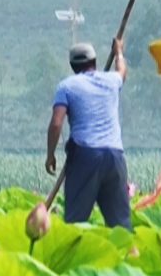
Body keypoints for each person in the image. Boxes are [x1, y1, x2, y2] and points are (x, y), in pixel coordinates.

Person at [47, 38, 130, 228]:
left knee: (75, 223)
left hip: (85, 156)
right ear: (95, 61)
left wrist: (50, 155)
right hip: (115, 156)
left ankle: (73, 256)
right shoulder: (111, 80)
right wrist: (118, 51)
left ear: (72, 66)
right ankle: (129, 256)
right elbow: (122, 71)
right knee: (121, 225)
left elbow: (56, 123)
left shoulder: (67, 86)